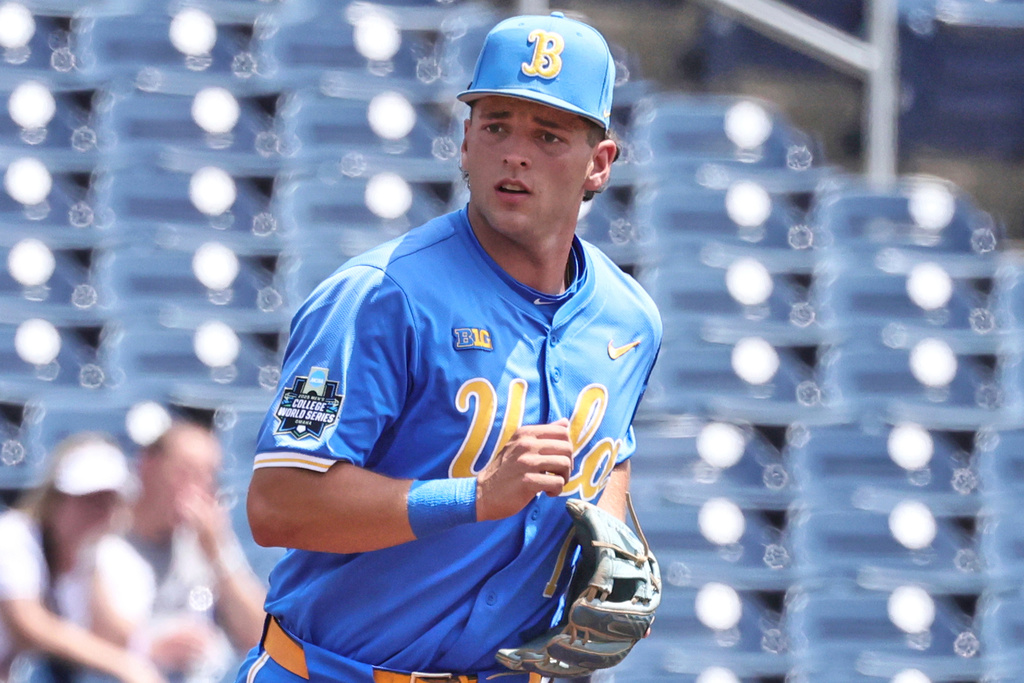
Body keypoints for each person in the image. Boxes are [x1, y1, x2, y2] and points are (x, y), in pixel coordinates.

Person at [239, 10, 661, 683]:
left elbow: (611, 451)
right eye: (496, 126)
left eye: (548, 134)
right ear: (466, 142)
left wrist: (610, 536)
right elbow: (278, 502)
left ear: (599, 164)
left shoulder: (629, 320)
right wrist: (473, 496)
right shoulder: (379, 296)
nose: (514, 153)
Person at [0, 432, 163, 683]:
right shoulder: (13, 537)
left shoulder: (109, 559)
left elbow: (114, 637)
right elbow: (28, 625)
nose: (98, 512)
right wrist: (121, 664)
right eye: (87, 499)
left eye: (108, 501)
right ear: (55, 499)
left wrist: (91, 568)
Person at [125, 421, 266, 683]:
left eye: (207, 477)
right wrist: (150, 647)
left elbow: (258, 635)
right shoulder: (109, 533)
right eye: (185, 473)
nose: (196, 489)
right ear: (148, 466)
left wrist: (217, 552)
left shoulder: (208, 540)